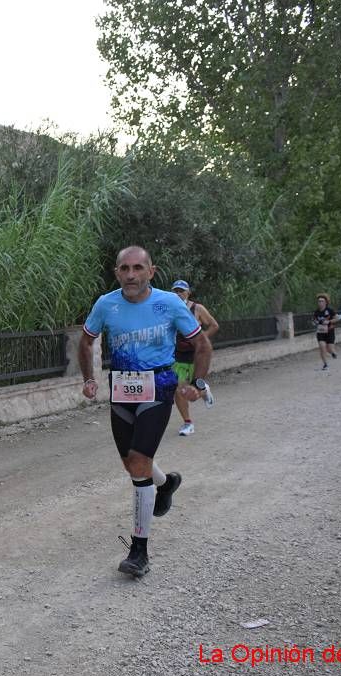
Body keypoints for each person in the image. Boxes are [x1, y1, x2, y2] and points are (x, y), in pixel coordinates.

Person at [77, 246, 213, 578]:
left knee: (138, 463)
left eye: (138, 268)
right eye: (125, 268)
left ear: (151, 271)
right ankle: (165, 485)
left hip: (159, 384)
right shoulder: (106, 304)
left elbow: (202, 344)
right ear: (116, 273)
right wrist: (89, 379)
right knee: (131, 462)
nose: (131, 275)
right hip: (121, 388)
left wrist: (197, 382)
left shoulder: (169, 303)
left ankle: (139, 551)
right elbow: (85, 341)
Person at [170, 280, 219, 436]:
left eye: (181, 291)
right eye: (175, 291)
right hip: (178, 357)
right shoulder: (169, 309)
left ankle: (203, 389)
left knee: (195, 388)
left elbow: (214, 325)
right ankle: (187, 423)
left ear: (188, 293)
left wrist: (202, 338)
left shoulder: (197, 308)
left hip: (196, 356)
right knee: (179, 390)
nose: (178, 294)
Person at [313, 293, 341, 370]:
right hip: (320, 332)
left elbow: (337, 318)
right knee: (322, 347)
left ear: (326, 302)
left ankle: (333, 353)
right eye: (319, 301)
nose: (320, 303)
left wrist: (329, 322)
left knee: (330, 349)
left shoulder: (330, 310)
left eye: (322, 301)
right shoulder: (316, 312)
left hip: (330, 331)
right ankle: (325, 364)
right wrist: (315, 322)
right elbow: (314, 321)